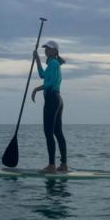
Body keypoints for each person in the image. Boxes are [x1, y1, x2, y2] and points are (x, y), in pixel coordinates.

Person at [31, 40, 68, 173]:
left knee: (48, 132)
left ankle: (51, 166)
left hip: (52, 99)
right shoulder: (53, 64)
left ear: (55, 51)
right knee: (57, 132)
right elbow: (42, 75)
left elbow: (50, 83)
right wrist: (37, 59)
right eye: (45, 48)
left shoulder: (53, 63)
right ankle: (63, 165)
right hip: (58, 99)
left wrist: (36, 89)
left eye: (49, 48)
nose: (46, 50)